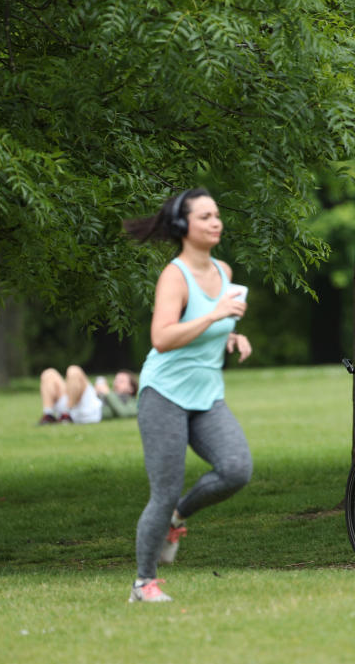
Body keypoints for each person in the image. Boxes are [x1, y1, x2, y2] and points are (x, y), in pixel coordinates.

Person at [122, 187, 253, 603]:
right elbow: (161, 337)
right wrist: (215, 315)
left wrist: (231, 336)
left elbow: (210, 328)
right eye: (205, 217)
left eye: (217, 215)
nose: (216, 222)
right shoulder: (174, 276)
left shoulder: (224, 271)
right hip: (164, 393)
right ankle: (144, 583)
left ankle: (179, 516)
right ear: (184, 226)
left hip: (206, 394)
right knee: (164, 489)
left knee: (236, 469)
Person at [37, 367, 138, 424]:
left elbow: (123, 413)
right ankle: (48, 414)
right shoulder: (110, 394)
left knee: (74, 371)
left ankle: (66, 415)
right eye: (116, 380)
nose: (116, 383)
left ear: (131, 388)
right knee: (49, 374)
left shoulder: (132, 401)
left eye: (121, 381)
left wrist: (107, 392)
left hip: (93, 411)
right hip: (80, 404)